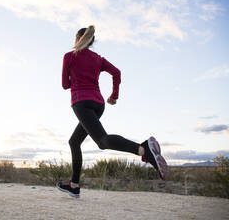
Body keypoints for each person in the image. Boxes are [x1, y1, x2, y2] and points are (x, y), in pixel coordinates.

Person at [56, 25, 169, 198]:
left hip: (81, 103)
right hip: (98, 104)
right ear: (91, 41)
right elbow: (116, 72)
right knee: (74, 142)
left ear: (77, 39)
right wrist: (114, 96)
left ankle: (143, 150)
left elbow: (65, 85)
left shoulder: (69, 56)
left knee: (102, 141)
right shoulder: (98, 59)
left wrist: (77, 81)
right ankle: (74, 185)